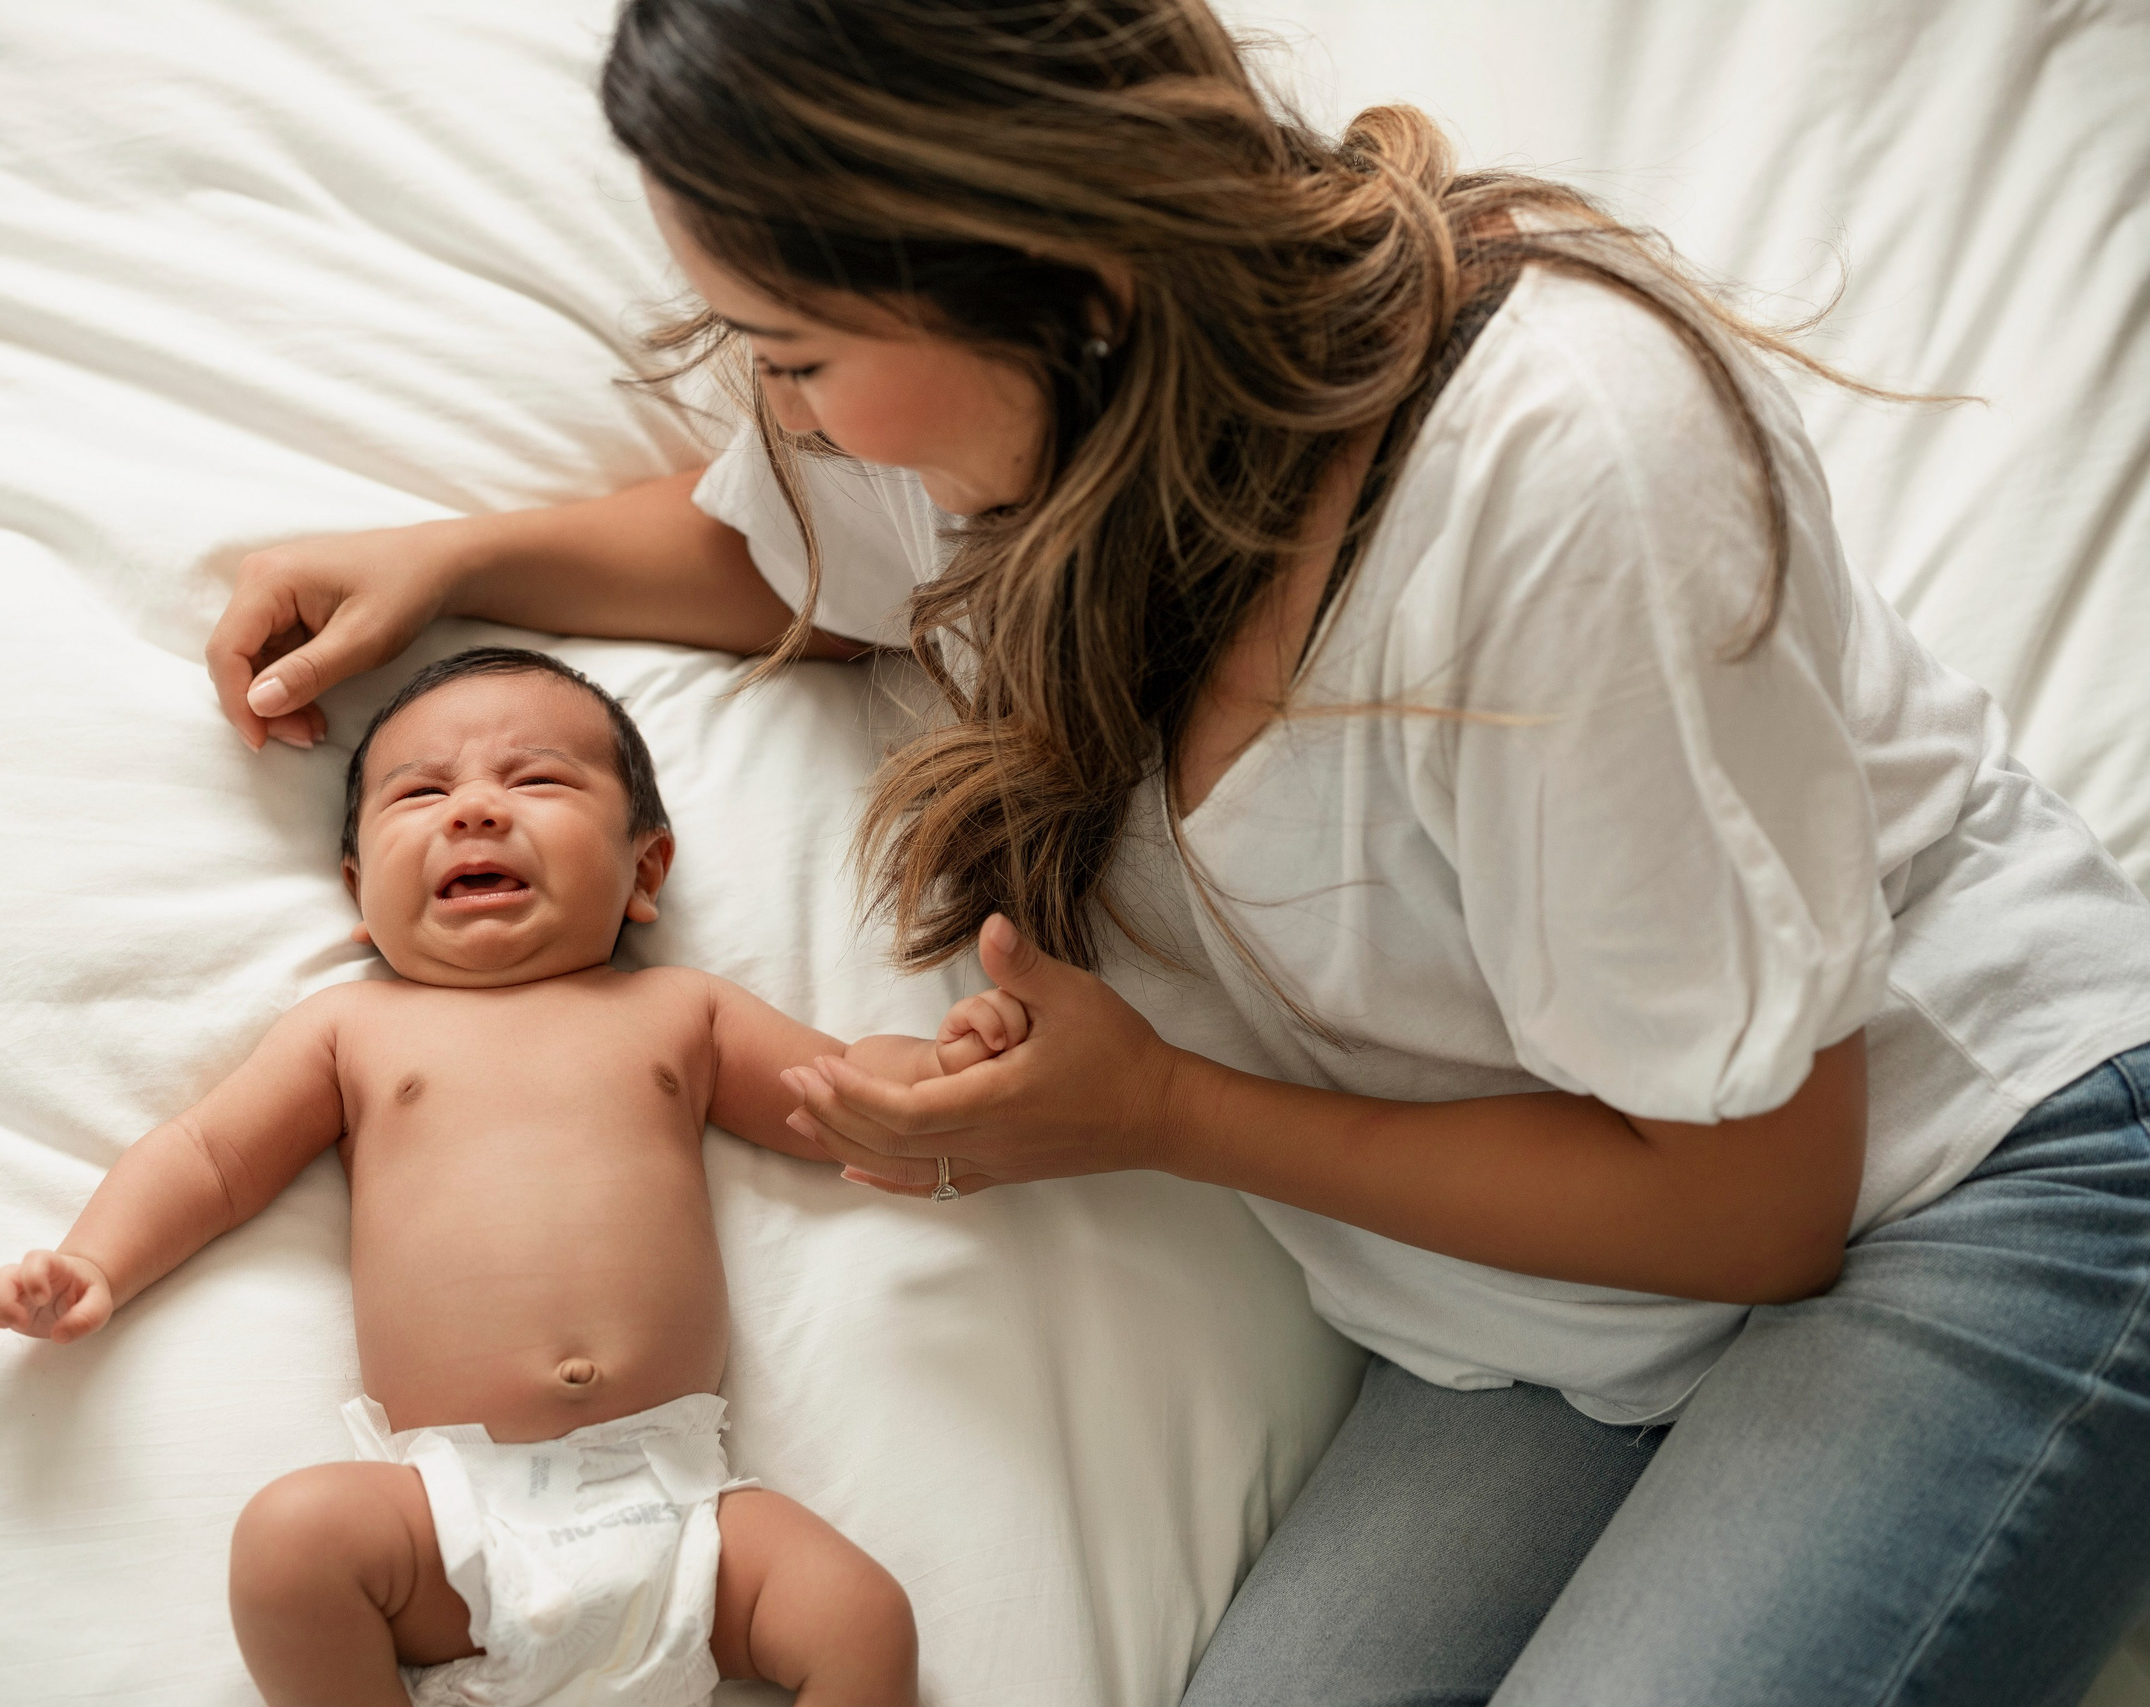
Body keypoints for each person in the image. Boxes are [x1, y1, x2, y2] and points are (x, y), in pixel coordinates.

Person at [200, 3, 2150, 1702]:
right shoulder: (1037, 413)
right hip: (1538, 1281)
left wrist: (1155, 1111)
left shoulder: (1556, 477)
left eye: (790, 352)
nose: (779, 418)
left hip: (1944, 1170)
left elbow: (1754, 1207)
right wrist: (455, 563)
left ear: (1050, 261)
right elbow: (784, 552)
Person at [0, 647, 1033, 1707]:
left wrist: (941, 1070)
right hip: (455, 1519)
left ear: (644, 871)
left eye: (536, 780)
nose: (473, 810)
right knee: (290, 1543)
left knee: (863, 1620)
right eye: (421, 793)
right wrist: (94, 1261)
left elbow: (836, 1089)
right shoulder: (352, 1030)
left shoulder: (676, 1013)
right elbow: (208, 1157)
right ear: (359, 887)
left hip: (683, 1506)